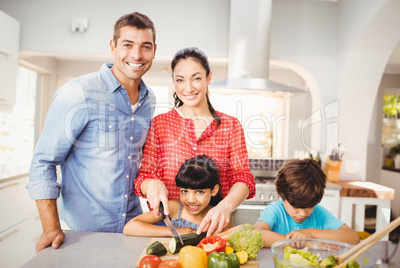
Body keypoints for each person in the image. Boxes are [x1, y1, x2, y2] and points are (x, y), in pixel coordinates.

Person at [27, 12, 157, 253]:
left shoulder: (150, 101)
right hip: (81, 234)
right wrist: (51, 227)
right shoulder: (79, 93)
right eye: (127, 45)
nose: (137, 55)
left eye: (145, 47)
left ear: (154, 51)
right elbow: (43, 162)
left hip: (133, 230)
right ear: (113, 47)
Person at [134, 47, 255, 237]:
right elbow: (145, 175)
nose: (188, 88)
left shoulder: (230, 125)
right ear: (173, 81)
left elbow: (243, 178)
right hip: (169, 231)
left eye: (196, 78)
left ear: (208, 78)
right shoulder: (160, 124)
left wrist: (225, 206)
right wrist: (151, 184)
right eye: (180, 80)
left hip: (215, 229)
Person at [254, 158, 360, 247]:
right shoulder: (275, 210)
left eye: (309, 206)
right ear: (282, 195)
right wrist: (304, 243)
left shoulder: (319, 213)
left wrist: (310, 233)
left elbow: (354, 238)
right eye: (296, 206)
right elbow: (257, 234)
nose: (302, 213)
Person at [124, 154, 234, 236]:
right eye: (184, 191)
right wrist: (174, 232)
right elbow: (129, 228)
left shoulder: (220, 216)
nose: (191, 200)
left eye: (199, 192)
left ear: (214, 190)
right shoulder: (174, 208)